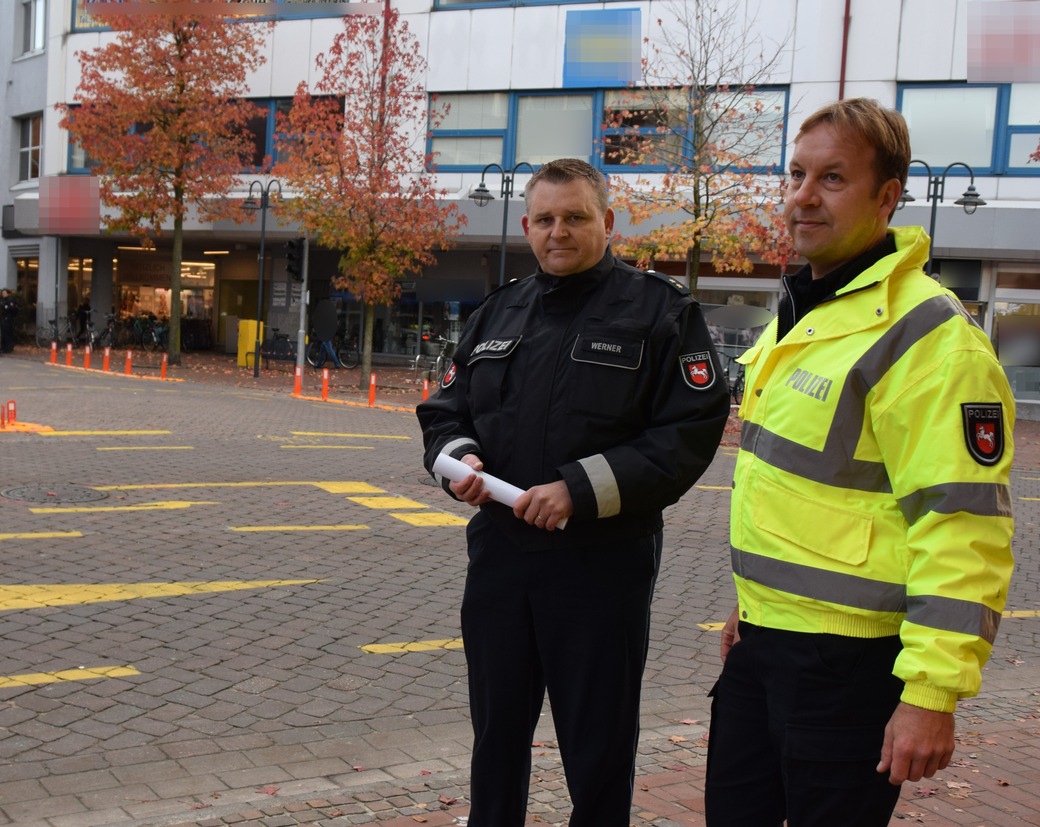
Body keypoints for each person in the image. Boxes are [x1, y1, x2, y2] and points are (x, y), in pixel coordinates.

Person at [705, 98, 1016, 825]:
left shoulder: (930, 337)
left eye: (833, 178)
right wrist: (754, 603)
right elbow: (804, 487)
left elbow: (964, 530)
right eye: (796, 174)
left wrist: (931, 694)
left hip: (847, 672)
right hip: (762, 644)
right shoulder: (810, 312)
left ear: (887, 197)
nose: (803, 196)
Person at [417, 158, 729, 826]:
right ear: (528, 226)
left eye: (576, 216)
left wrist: (578, 490)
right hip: (500, 562)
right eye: (546, 219)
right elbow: (446, 408)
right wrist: (459, 458)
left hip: (600, 568)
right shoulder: (499, 311)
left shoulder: (660, 313)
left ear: (607, 222)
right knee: (496, 737)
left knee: (598, 748)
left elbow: (688, 432)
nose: (559, 231)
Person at [310, 298, 341, 368]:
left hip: (325, 334)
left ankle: (337, 363)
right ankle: (319, 364)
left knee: (329, 350)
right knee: (322, 349)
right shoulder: (329, 314)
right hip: (327, 333)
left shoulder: (324, 315)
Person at [0, 288, 19, 353]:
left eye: (4, 293)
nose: (3, 294)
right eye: (2, 293)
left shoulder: (10, 300)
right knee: (3, 334)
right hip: (2, 318)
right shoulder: (2, 300)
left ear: (8, 294)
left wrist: (6, 308)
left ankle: (8, 348)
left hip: (8, 319)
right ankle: (3, 347)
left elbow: (12, 310)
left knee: (8, 334)